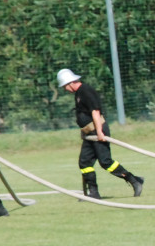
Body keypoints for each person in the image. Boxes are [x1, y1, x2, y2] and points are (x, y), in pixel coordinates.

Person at [57, 68, 144, 198]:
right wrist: (85, 132)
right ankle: (94, 193)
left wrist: (99, 132)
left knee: (105, 162)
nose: (65, 89)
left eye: (64, 86)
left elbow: (95, 112)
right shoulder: (79, 94)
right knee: (84, 163)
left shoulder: (86, 91)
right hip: (90, 134)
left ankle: (134, 180)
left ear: (70, 83)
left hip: (97, 131)